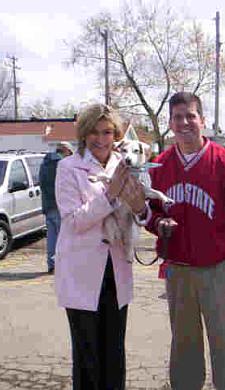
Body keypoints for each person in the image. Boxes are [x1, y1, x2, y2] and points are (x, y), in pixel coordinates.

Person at [145, 92, 225, 390]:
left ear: (203, 120)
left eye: (190, 116)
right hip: (178, 270)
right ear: (170, 123)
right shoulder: (160, 166)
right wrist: (157, 223)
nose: (184, 122)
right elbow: (148, 213)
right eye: (177, 117)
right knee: (184, 348)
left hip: (220, 268)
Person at [54, 103, 148, 390]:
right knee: (88, 357)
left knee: (114, 352)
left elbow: (141, 214)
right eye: (94, 132)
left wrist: (141, 209)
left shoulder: (126, 164)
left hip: (116, 271)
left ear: (115, 134)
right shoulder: (67, 168)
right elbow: (73, 221)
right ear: (83, 134)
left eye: (107, 132)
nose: (101, 139)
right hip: (82, 273)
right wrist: (109, 196)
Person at [39, 142, 73, 274]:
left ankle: (52, 265)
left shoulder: (44, 163)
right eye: (70, 153)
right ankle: (63, 266)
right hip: (61, 205)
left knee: (52, 238)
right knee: (64, 238)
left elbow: (41, 183)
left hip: (48, 205)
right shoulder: (63, 164)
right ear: (65, 151)